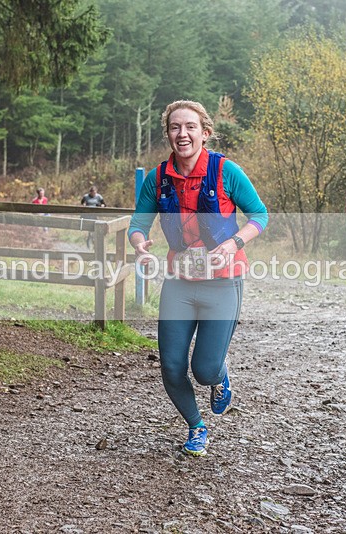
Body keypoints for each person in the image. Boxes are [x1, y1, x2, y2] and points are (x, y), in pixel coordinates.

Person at [128, 100, 268, 456]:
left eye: (190, 127)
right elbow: (138, 224)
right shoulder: (158, 179)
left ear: (205, 132)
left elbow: (260, 215)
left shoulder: (225, 171)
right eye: (175, 127)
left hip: (223, 282)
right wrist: (141, 246)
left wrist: (235, 243)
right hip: (179, 282)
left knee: (203, 369)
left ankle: (219, 377)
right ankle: (196, 426)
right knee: (172, 366)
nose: (182, 134)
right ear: (168, 134)